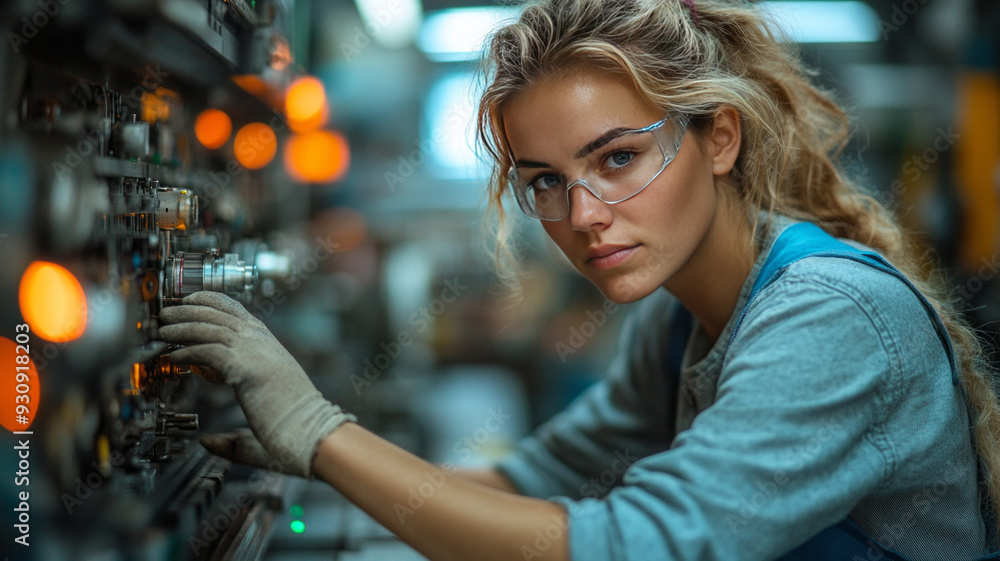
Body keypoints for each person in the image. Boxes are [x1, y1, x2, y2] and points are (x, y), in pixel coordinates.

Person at [157, 0, 1000, 559]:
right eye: (545, 181)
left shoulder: (831, 319)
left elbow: (633, 544)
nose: (583, 213)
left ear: (719, 140)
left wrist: (319, 428)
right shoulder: (677, 326)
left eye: (619, 157)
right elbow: (523, 484)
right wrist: (322, 462)